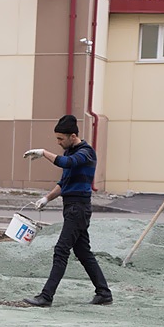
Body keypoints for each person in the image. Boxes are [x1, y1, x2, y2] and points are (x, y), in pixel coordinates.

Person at [21, 114, 112, 308]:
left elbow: (67, 163)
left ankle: (46, 296)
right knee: (83, 252)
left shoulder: (86, 153)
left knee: (61, 250)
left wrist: (44, 152)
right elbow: (64, 183)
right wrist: (45, 199)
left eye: (60, 139)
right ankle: (104, 293)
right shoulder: (71, 152)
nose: (59, 143)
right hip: (72, 207)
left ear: (73, 136)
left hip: (78, 208)